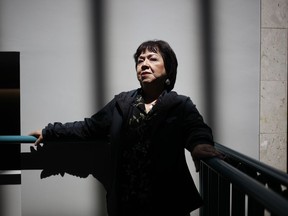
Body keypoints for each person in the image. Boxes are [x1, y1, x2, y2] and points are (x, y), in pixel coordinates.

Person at [30, 40, 222, 216]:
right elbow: (89, 127)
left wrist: (199, 145)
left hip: (166, 204)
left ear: (168, 69)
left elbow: (196, 128)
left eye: (152, 59)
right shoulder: (121, 103)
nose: (144, 64)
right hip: (126, 204)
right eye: (140, 61)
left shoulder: (180, 104)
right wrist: (50, 132)